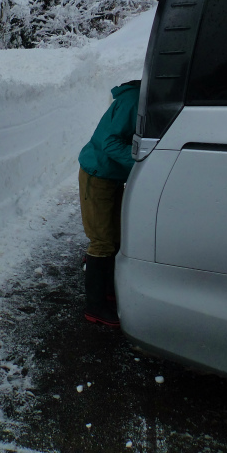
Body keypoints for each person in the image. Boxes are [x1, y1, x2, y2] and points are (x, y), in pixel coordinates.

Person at [78, 79, 141, 327]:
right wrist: (142, 162)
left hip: (114, 175)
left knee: (115, 235)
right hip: (98, 172)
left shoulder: (145, 99)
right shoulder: (133, 100)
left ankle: (107, 291)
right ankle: (94, 306)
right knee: (101, 241)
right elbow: (111, 142)